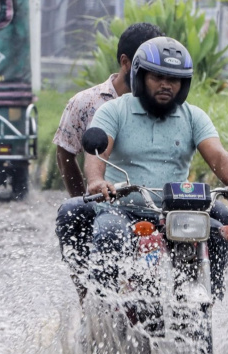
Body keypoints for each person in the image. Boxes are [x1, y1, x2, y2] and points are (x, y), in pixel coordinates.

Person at [81, 36, 228, 298]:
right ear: (140, 76)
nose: (166, 85)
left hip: (175, 211)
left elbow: (217, 155)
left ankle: (211, 297)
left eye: (174, 79)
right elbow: (97, 153)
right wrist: (97, 181)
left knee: (219, 221)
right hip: (123, 209)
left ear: (183, 84)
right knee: (109, 231)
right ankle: (102, 305)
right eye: (157, 77)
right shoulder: (114, 111)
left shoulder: (193, 116)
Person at [54, 23, 164, 300]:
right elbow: (65, 152)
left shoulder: (165, 103)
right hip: (108, 204)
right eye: (147, 64)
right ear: (126, 62)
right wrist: (85, 196)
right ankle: (87, 297)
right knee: (71, 215)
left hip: (156, 203)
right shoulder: (86, 103)